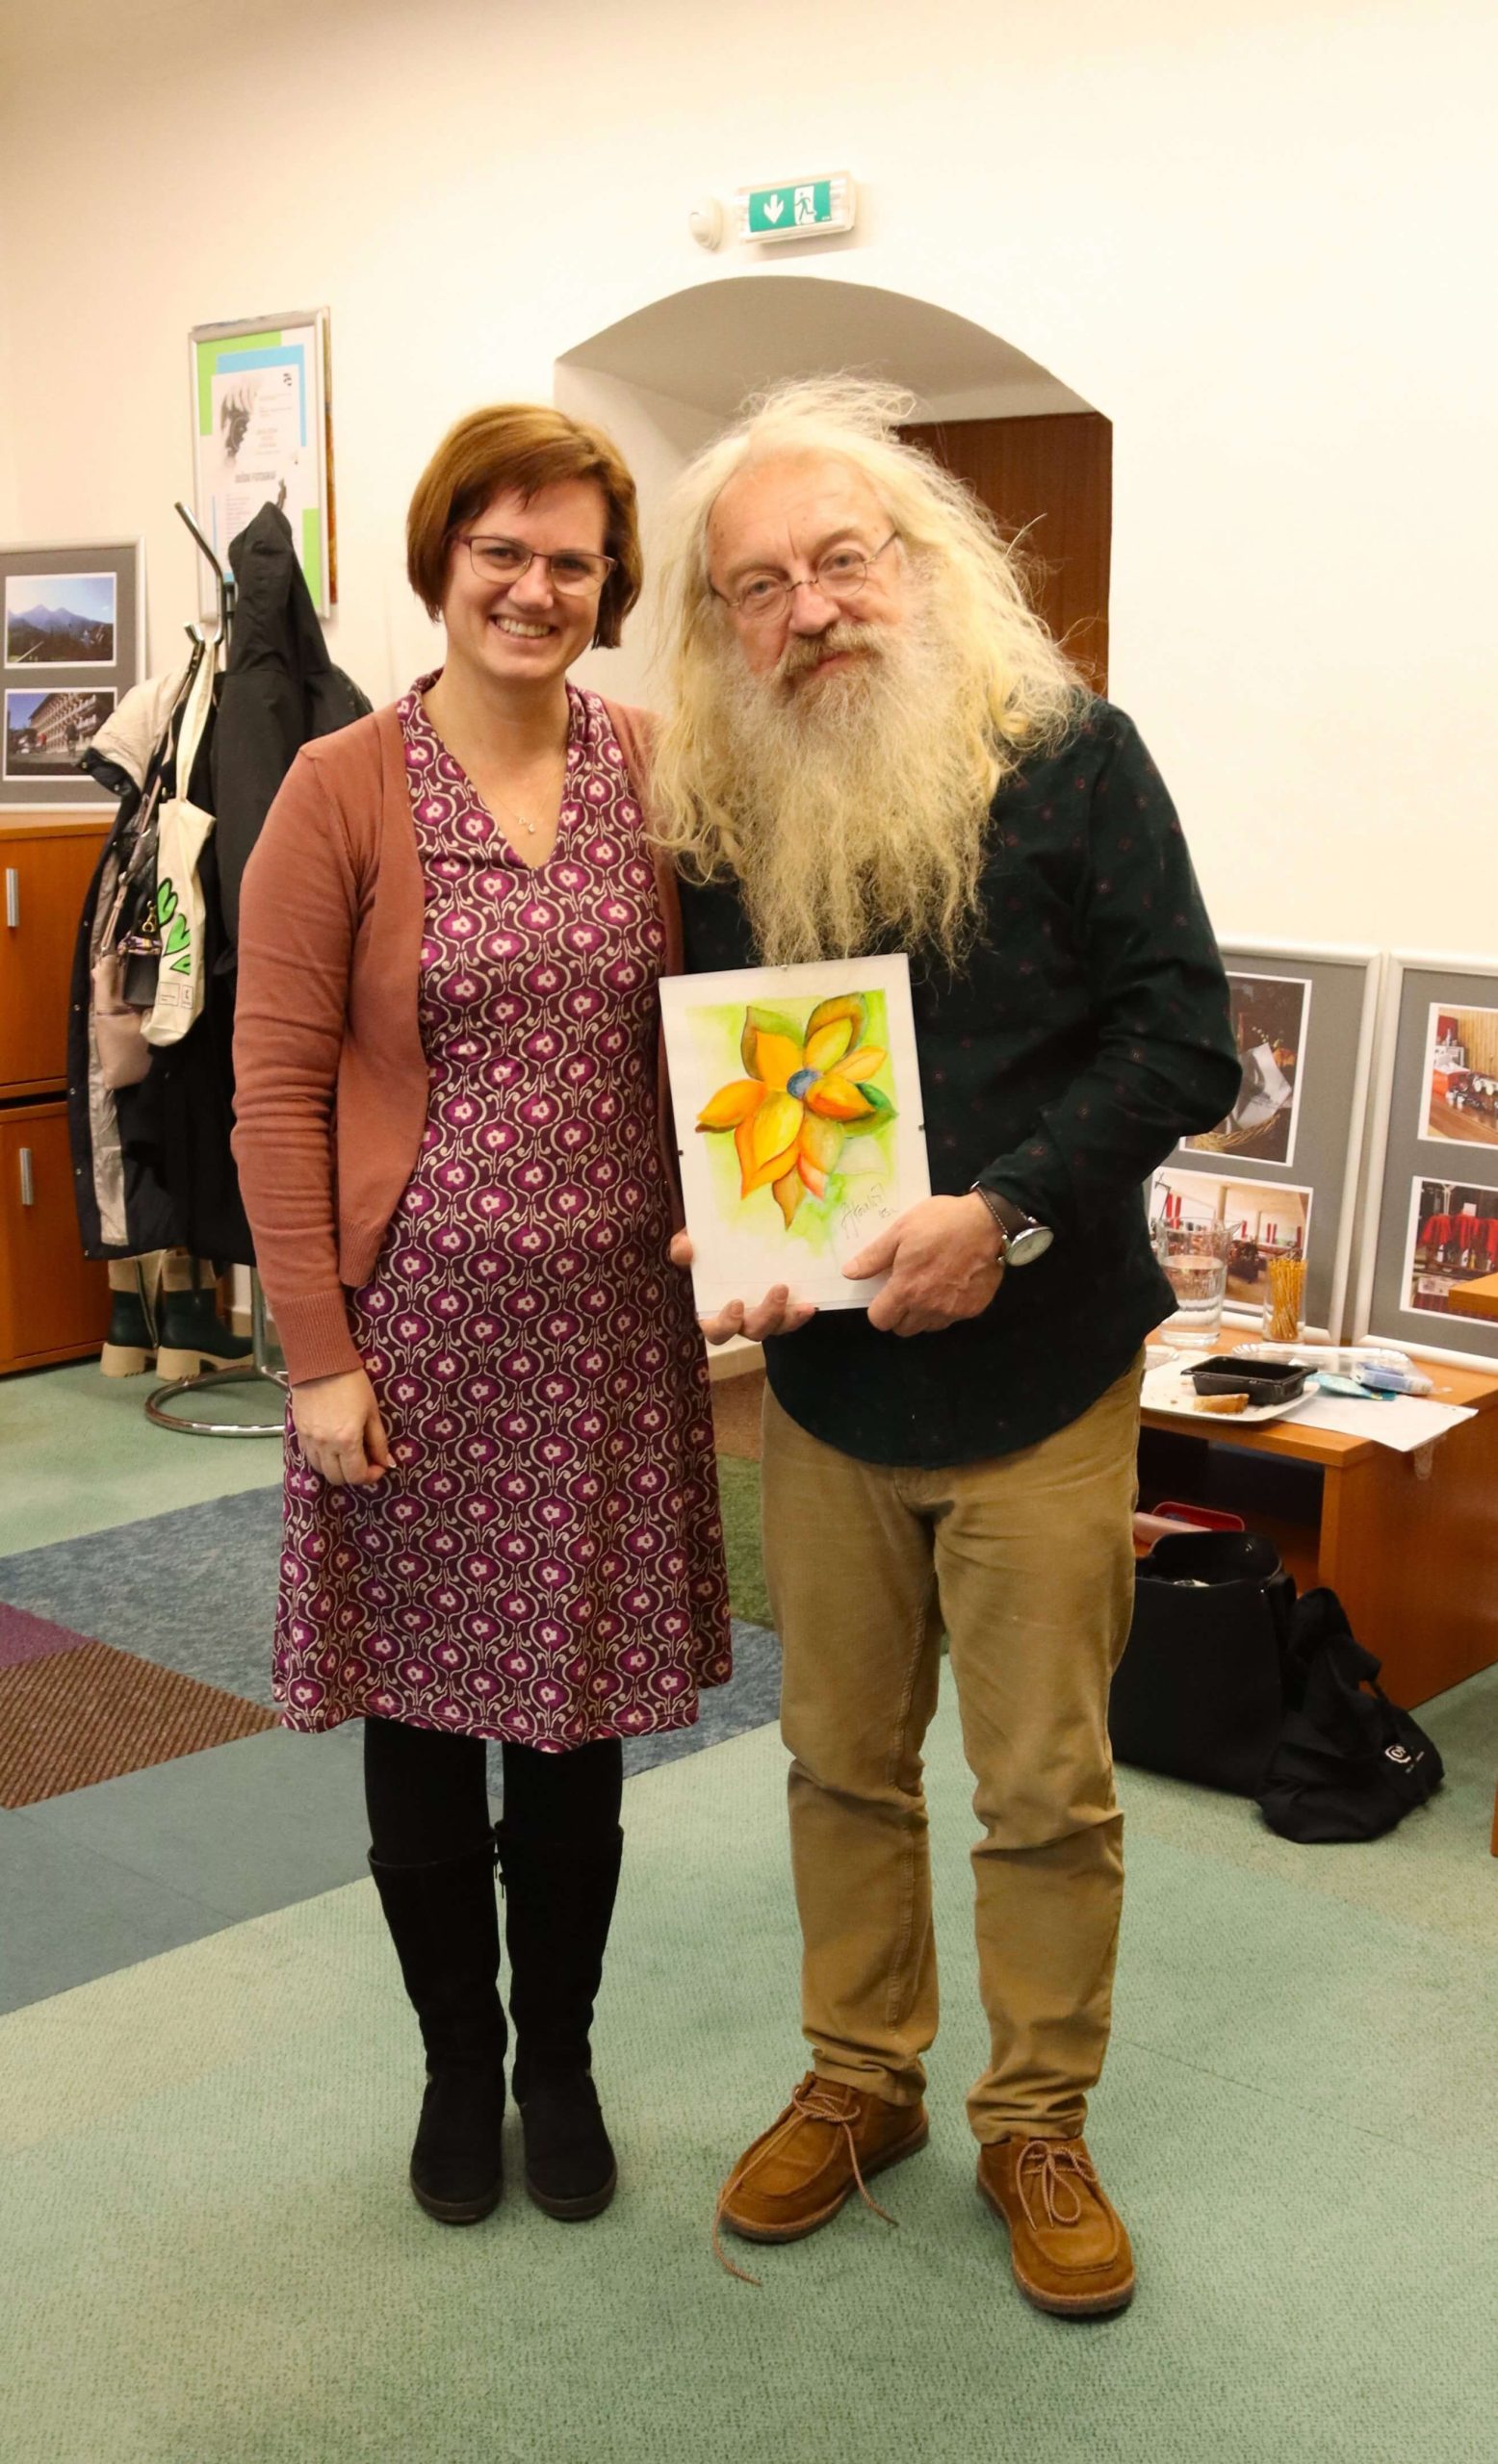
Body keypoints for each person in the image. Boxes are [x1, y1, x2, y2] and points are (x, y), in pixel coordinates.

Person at [649, 377, 1240, 2314]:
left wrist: (1008, 1213)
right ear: (721, 624)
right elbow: (730, 1084)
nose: (811, 609)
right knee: (836, 1760)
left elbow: (1185, 1038)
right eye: (759, 585)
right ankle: (861, 2078)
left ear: (923, 562)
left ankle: (1035, 2115)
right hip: (829, 1384)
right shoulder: (719, 813)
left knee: (1044, 1783)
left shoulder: (1071, 758)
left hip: (1044, 1367)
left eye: (842, 560)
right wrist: (731, 1241)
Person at [233, 404, 731, 2232]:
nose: (533, 587)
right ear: (443, 560)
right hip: (415, 1342)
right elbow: (273, 1093)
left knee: (576, 1731)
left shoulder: (662, 774)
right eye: (499, 551)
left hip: (608, 1341)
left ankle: (560, 2065)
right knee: (429, 1724)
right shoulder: (340, 785)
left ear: (611, 586)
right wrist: (319, 1358)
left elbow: (741, 1021)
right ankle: (459, 2063)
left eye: (570, 561)